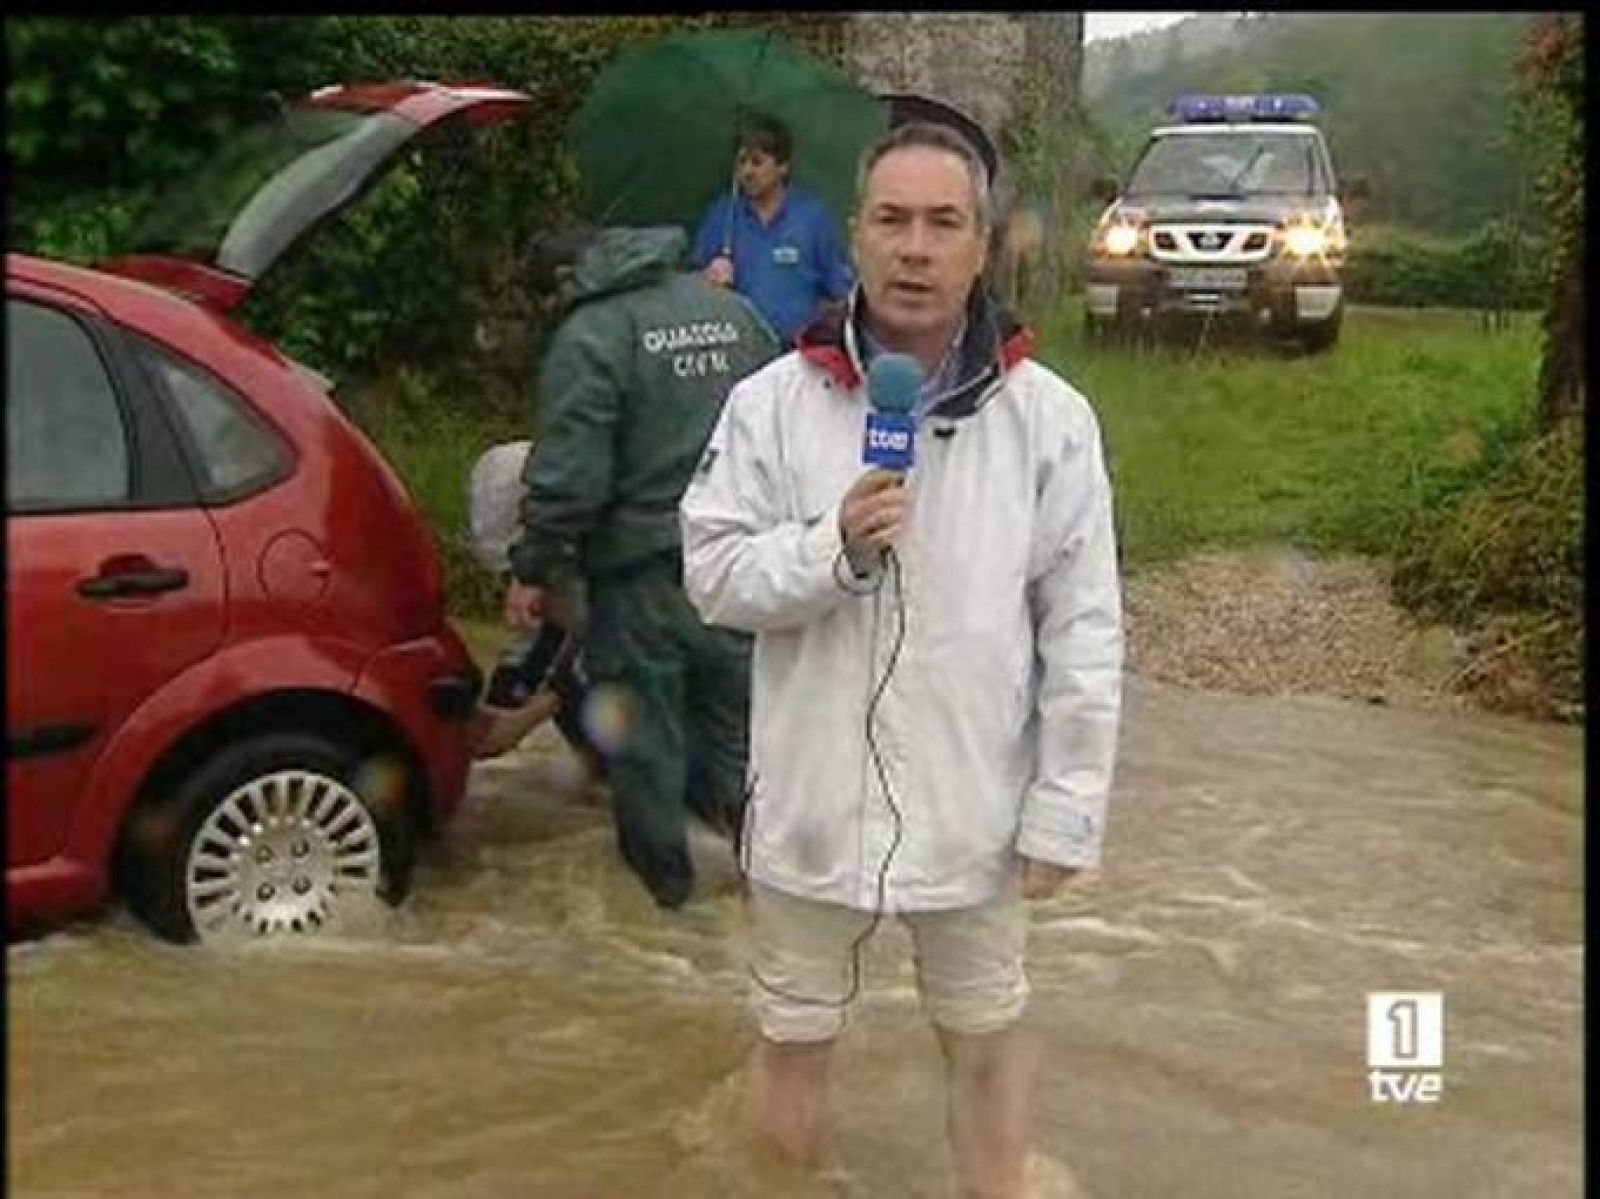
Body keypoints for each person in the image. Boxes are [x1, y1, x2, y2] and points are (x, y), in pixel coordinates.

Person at [679, 120, 1124, 1197]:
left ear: (982, 246)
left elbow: (1084, 626)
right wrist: (826, 548)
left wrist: (1067, 802)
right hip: (809, 799)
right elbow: (713, 574)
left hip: (974, 802)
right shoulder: (771, 405)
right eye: (891, 220)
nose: (914, 248)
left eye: (942, 223)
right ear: (858, 238)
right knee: (791, 1036)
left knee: (985, 1033)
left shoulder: (1049, 420)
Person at [504, 222, 781, 909]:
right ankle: (776, 895)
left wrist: (536, 565)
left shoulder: (592, 336)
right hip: (742, 563)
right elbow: (785, 430)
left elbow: (570, 478)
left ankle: (668, 916)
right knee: (745, 734)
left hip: (641, 578)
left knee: (645, 747)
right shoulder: (733, 311)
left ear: (565, 282)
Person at [689, 113, 855, 349]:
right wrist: (709, 278)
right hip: (736, 350)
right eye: (741, 162)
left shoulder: (812, 217)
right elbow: (692, 287)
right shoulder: (723, 215)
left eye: (757, 162)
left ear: (783, 166)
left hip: (796, 353)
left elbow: (840, 288)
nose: (747, 171)